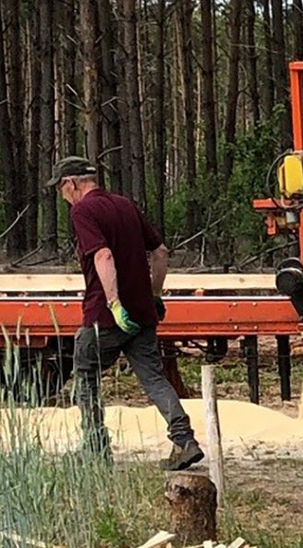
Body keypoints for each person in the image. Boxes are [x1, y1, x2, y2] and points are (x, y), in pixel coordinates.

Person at [47, 157, 203, 469]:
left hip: (104, 315)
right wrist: (154, 296)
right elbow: (160, 252)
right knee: (153, 378)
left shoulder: (83, 211)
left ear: (71, 184)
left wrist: (114, 304)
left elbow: (103, 255)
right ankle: (185, 441)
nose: (63, 197)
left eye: (62, 190)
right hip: (143, 315)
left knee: (86, 375)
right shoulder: (125, 205)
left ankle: (95, 447)